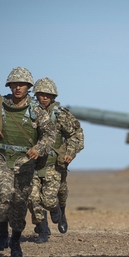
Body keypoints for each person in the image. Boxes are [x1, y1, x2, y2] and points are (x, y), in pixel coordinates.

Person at [0, 67, 56, 257]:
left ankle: (15, 241)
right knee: (3, 194)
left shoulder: (36, 110)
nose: (18, 88)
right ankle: (2, 235)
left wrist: (38, 149)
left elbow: (50, 134)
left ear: (28, 87)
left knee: (20, 202)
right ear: (9, 85)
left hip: (26, 161)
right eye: (14, 84)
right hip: (3, 156)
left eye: (22, 85)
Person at [28, 77, 84, 243]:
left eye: (48, 95)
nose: (44, 98)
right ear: (35, 95)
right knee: (32, 198)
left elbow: (76, 135)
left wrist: (70, 152)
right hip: (31, 164)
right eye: (41, 94)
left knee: (50, 199)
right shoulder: (27, 113)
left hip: (53, 164)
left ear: (53, 97)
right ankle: (43, 230)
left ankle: (60, 210)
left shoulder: (61, 115)